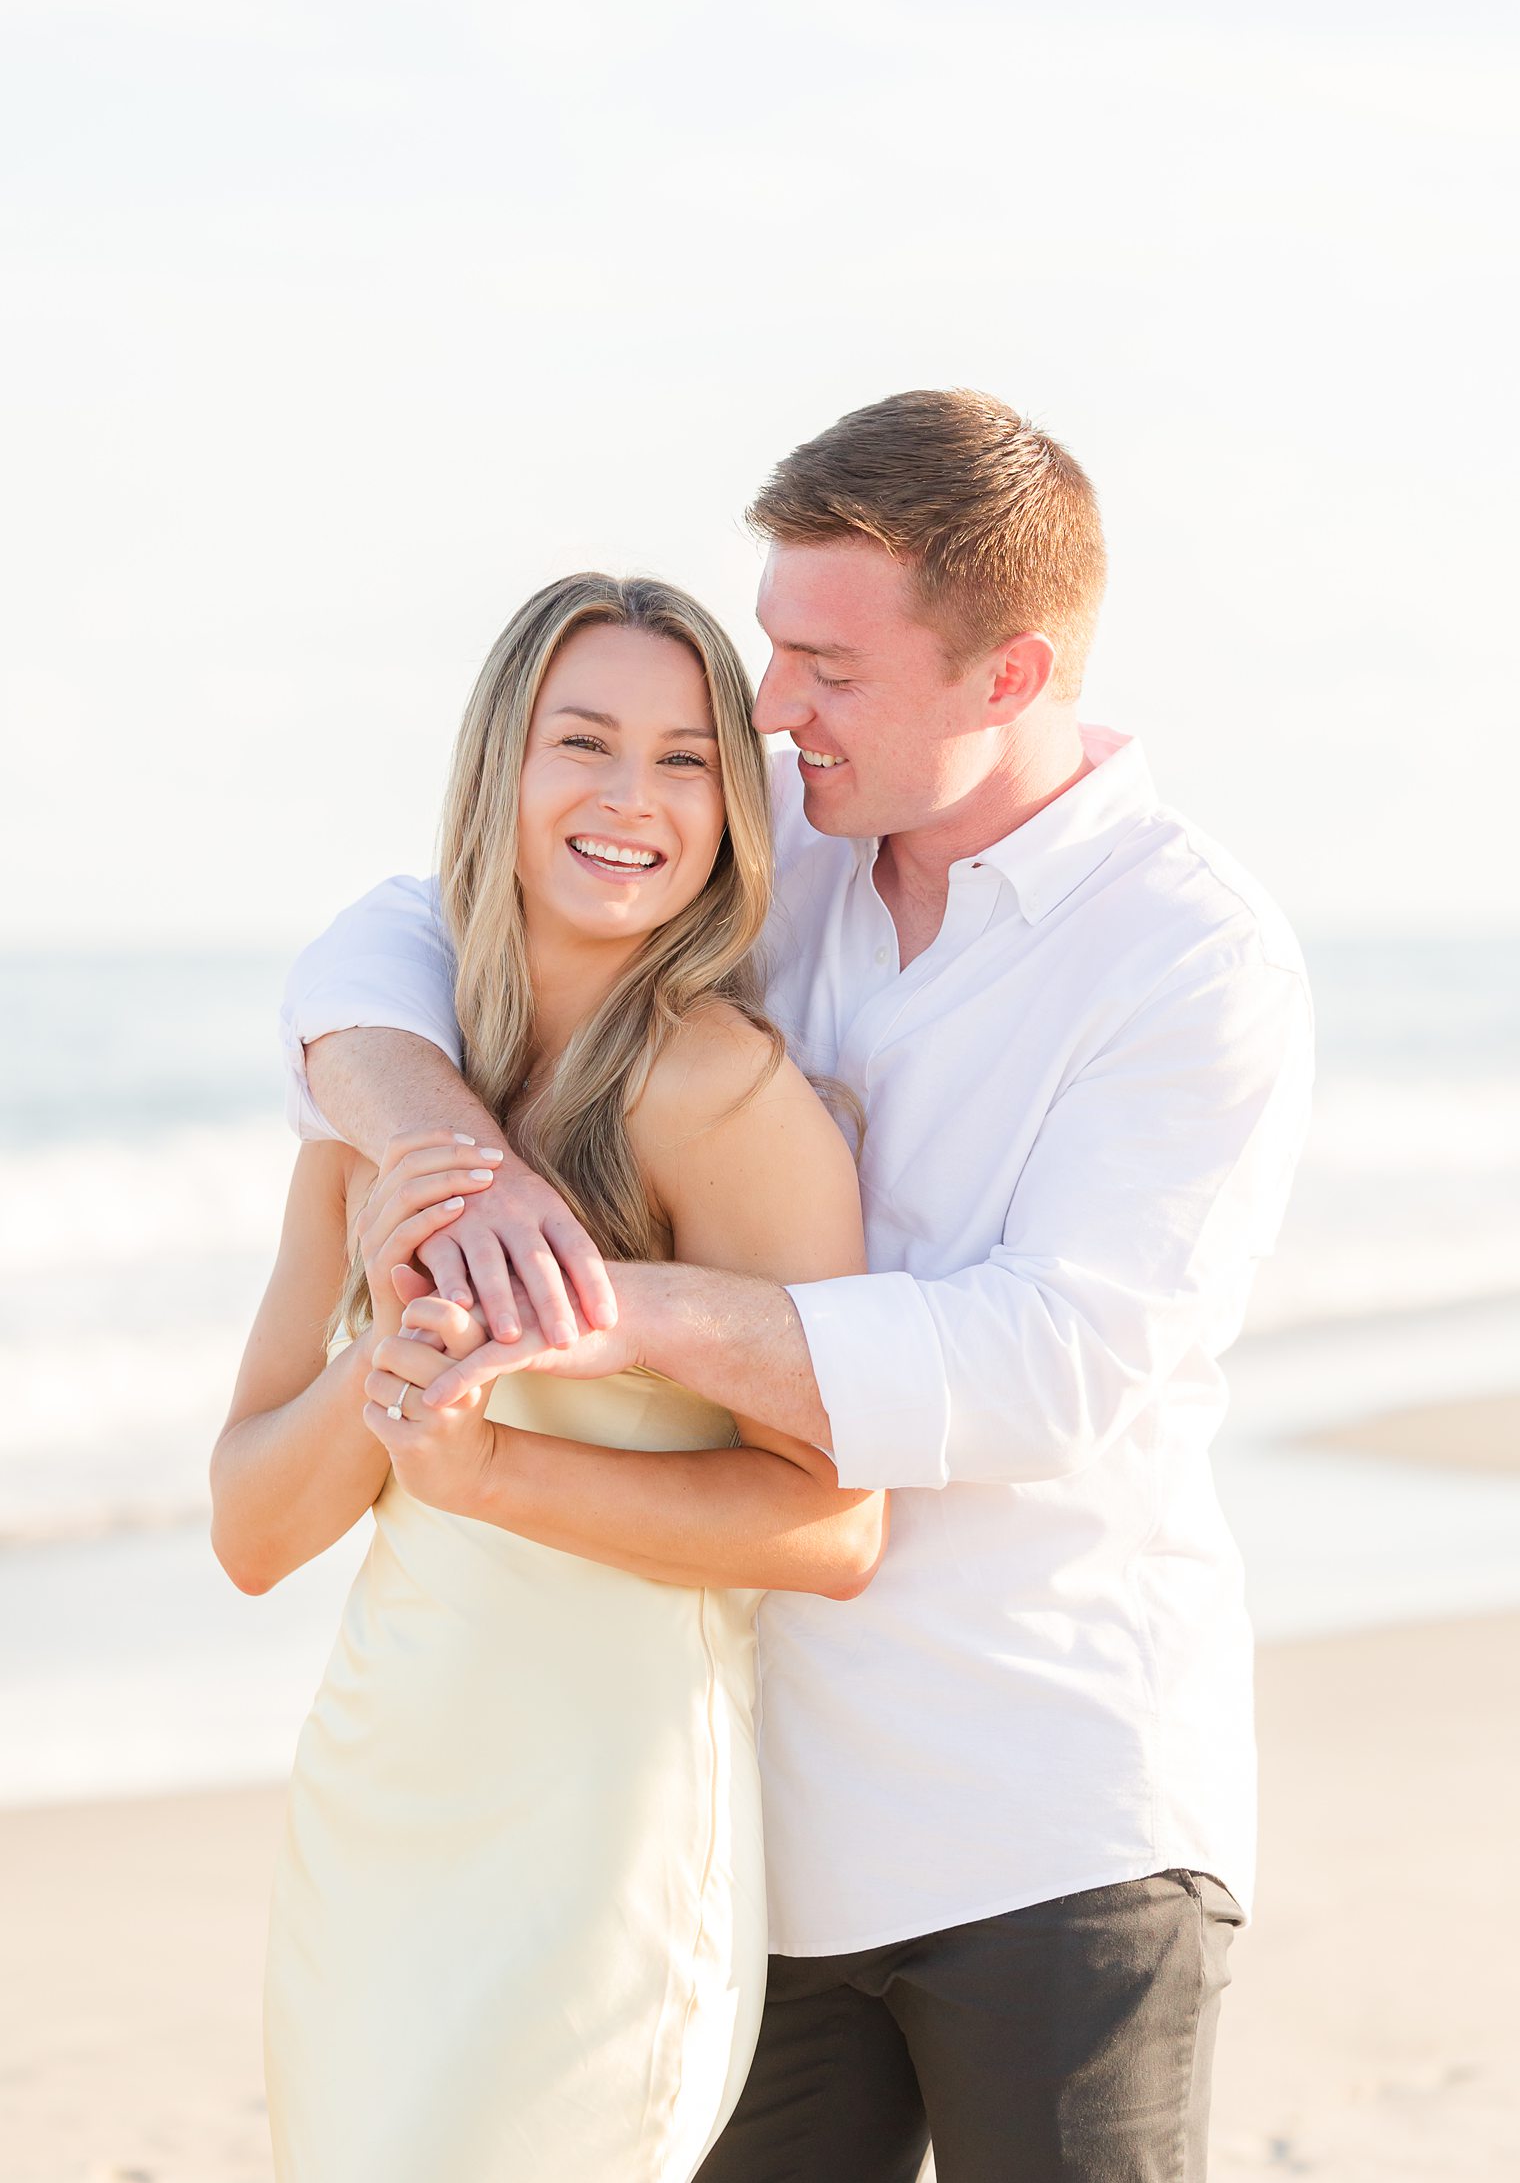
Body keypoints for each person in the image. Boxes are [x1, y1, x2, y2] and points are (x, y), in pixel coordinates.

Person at [280, 390, 1315, 2182]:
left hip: (1052, 1812)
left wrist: (584, 1300)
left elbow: (1047, 1364)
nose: (769, 707)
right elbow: (404, 925)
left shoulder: (1192, 958)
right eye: (772, 645)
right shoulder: (794, 835)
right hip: (758, 1826)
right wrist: (452, 1145)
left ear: (1008, 674)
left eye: (827, 663)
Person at [211, 572, 886, 2183]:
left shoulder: (728, 1097)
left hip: (604, 1845)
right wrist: (387, 1367)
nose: (630, 801)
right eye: (583, 743)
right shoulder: (382, 1107)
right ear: (499, 767)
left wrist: (495, 1473)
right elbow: (248, 1529)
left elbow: (835, 1527)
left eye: (683, 760)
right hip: (381, 1813)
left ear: (734, 805)